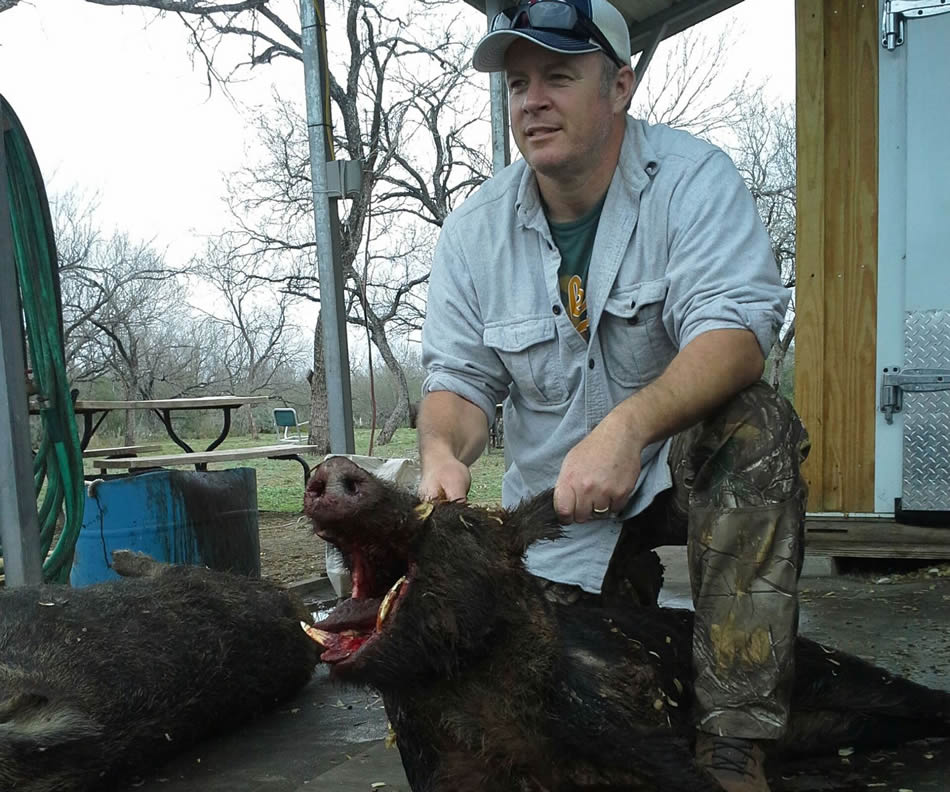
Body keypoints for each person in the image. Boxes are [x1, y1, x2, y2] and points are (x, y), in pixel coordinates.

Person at [416, 2, 809, 790]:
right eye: (517, 83)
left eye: (558, 77)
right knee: (565, 697)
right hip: (564, 507)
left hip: (679, 468)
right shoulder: (473, 231)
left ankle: (735, 740)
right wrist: (441, 453)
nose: (532, 101)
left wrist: (631, 426)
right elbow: (458, 380)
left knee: (757, 427)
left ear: (619, 86)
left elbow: (736, 333)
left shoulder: (693, 180)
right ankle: (628, 605)